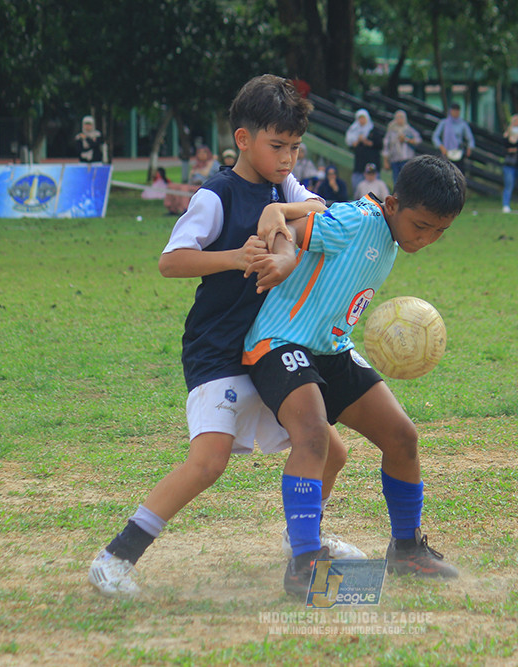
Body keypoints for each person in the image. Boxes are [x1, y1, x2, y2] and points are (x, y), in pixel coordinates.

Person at [88, 74, 364, 600]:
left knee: (331, 451)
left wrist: (284, 211)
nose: (287, 159)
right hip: (219, 349)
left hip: (269, 346)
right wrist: (235, 257)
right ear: (243, 139)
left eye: (295, 148)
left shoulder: (284, 190)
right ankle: (116, 556)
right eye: (276, 145)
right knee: (209, 461)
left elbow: (323, 209)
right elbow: (171, 262)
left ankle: (302, 543)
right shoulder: (216, 195)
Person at [241, 155, 466, 598]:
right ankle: (304, 565)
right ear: (394, 203)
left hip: (331, 348)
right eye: (420, 225)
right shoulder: (356, 222)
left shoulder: (392, 236)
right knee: (315, 438)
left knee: (403, 437)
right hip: (280, 342)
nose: (427, 238)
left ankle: (405, 550)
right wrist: (279, 217)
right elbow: (292, 231)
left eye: (440, 231)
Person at [432, 103, 475, 174]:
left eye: (457, 111)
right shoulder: (444, 123)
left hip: (458, 153)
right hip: (446, 153)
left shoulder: (462, 124)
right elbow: (435, 136)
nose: (456, 113)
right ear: (450, 111)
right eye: (454, 110)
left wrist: (469, 148)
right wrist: (441, 147)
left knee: (458, 174)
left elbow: (470, 137)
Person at [345, 109, 382, 191]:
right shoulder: (354, 130)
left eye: (363, 118)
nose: (362, 120)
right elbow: (351, 145)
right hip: (359, 164)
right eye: (360, 118)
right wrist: (358, 140)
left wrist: (366, 142)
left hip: (372, 162)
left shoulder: (373, 130)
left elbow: (379, 144)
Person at [382, 110, 421, 183]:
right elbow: (386, 146)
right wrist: (385, 161)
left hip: (406, 159)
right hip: (395, 160)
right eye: (398, 118)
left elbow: (418, 140)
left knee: (406, 181)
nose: (399, 120)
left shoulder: (409, 130)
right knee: (396, 181)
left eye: (401, 117)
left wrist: (406, 139)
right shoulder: (391, 130)